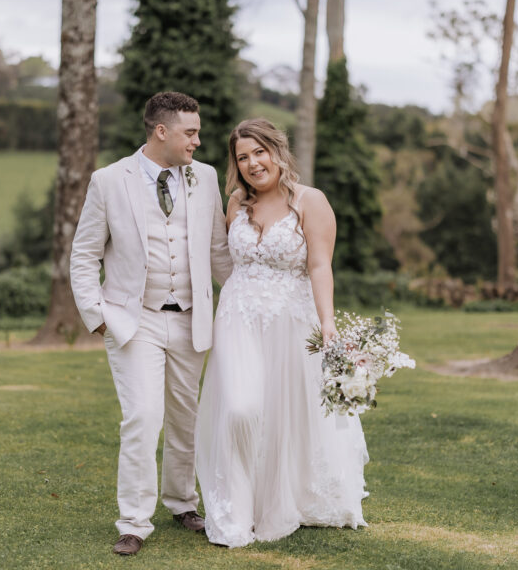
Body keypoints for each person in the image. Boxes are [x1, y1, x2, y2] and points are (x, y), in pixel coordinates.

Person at [69, 92, 234, 556]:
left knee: (187, 418)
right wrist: (97, 316)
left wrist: (251, 300)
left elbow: (218, 251)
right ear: (161, 131)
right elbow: (83, 255)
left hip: (191, 319)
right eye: (191, 132)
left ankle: (183, 503)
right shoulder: (108, 181)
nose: (198, 141)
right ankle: (134, 522)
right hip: (132, 320)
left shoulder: (204, 177)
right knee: (142, 417)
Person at [195, 118, 369, 548]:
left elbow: (319, 265)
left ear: (277, 151)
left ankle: (280, 501)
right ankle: (236, 510)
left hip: (291, 320)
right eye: (243, 157)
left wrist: (327, 322)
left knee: (285, 413)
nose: (253, 163)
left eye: (259, 152)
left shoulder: (311, 201)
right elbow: (223, 261)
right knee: (240, 408)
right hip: (237, 319)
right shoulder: (235, 202)